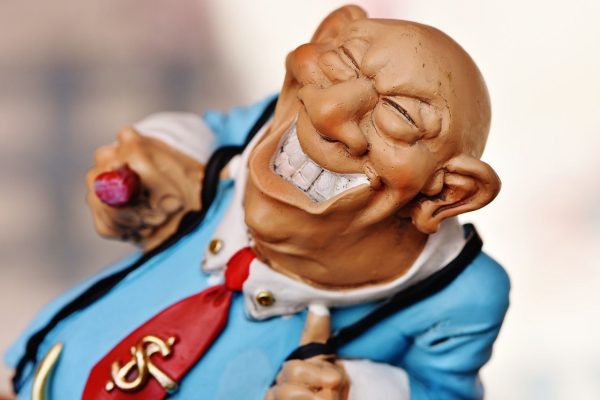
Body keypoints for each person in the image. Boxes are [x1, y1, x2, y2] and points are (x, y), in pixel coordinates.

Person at [5, 5, 509, 400]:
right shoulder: (268, 125)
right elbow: (211, 134)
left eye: (398, 116)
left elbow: (446, 393)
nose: (328, 112)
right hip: (39, 369)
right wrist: (152, 163)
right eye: (339, 66)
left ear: (449, 192)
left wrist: (357, 389)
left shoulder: (459, 294)